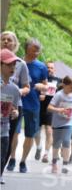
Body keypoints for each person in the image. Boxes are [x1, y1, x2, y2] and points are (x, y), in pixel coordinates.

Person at [14, 38, 49, 173]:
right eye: (35, 50)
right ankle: (11, 158)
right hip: (16, 102)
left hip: (33, 104)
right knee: (14, 133)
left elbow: (46, 86)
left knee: (30, 134)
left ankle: (22, 161)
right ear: (27, 48)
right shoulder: (16, 63)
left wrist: (43, 87)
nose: (37, 52)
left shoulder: (41, 66)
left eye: (38, 50)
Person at [1, 32, 30, 172]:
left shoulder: (21, 64)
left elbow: (27, 87)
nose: (6, 41)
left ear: (15, 44)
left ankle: (1, 169)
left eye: (9, 40)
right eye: (3, 39)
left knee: (7, 137)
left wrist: (17, 91)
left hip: (12, 103)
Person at [46, 76, 72, 175]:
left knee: (66, 141)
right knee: (56, 144)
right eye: (71, 87)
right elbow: (49, 107)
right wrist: (59, 110)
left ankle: (65, 164)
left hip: (69, 121)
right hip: (58, 122)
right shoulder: (58, 95)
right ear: (64, 85)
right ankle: (54, 162)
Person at [0, 50, 22, 184]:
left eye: (14, 65)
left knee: (1, 160)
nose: (12, 68)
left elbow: (16, 109)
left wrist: (15, 113)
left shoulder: (14, 89)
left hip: (4, 131)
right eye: (9, 65)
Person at [38, 61, 57, 162]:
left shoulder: (58, 81)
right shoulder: (40, 79)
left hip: (50, 108)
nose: (49, 69)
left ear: (54, 70)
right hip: (39, 107)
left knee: (49, 130)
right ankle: (38, 147)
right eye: (48, 67)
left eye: (51, 68)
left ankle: (45, 154)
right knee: (36, 132)